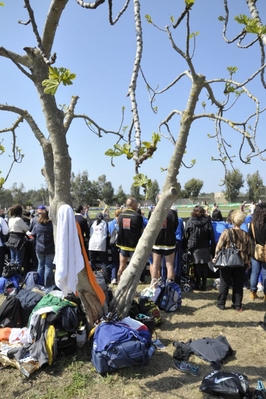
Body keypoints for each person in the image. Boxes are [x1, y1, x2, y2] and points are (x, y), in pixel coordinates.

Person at [214, 210, 252, 311]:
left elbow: (219, 246)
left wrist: (216, 256)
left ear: (232, 220)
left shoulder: (227, 232)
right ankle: (237, 304)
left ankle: (221, 303)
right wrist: (248, 262)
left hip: (227, 260)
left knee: (224, 282)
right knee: (238, 283)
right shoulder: (246, 235)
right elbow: (249, 250)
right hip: (241, 261)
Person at [185, 205, 215, 291]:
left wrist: (185, 245)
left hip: (194, 246)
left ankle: (198, 283)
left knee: (196, 265)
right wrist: (212, 246)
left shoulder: (190, 221)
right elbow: (211, 235)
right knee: (204, 265)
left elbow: (186, 234)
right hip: (204, 245)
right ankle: (204, 284)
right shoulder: (207, 221)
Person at [150, 195, 178, 283]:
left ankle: (154, 286)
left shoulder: (152, 212)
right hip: (169, 241)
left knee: (155, 264)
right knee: (169, 265)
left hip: (157, 241)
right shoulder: (173, 212)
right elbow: (175, 226)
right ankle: (170, 288)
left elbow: (150, 226)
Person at [116, 198, 143, 281]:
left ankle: (119, 282)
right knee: (133, 268)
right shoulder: (138, 217)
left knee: (121, 265)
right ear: (134, 205)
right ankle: (131, 287)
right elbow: (141, 230)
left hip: (122, 245)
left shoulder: (120, 215)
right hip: (133, 245)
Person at [31, 209, 55, 287]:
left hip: (39, 248)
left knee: (40, 266)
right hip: (50, 248)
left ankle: (40, 283)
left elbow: (32, 234)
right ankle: (47, 284)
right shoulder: (52, 225)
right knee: (48, 266)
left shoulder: (37, 225)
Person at [248, 202, 266, 302]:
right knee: (265, 274)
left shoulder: (252, 224)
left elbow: (250, 236)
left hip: (255, 250)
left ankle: (252, 293)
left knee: (254, 273)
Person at [6, 204, 29, 271]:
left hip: (11, 239)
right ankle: (17, 273)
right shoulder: (19, 220)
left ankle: (11, 273)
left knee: (12, 259)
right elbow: (27, 228)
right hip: (18, 240)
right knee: (18, 259)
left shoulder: (10, 219)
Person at [108, 208, 122, 284]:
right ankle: (119, 278)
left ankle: (113, 278)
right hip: (120, 244)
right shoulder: (122, 222)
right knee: (121, 262)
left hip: (113, 243)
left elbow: (109, 232)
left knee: (114, 262)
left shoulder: (110, 223)